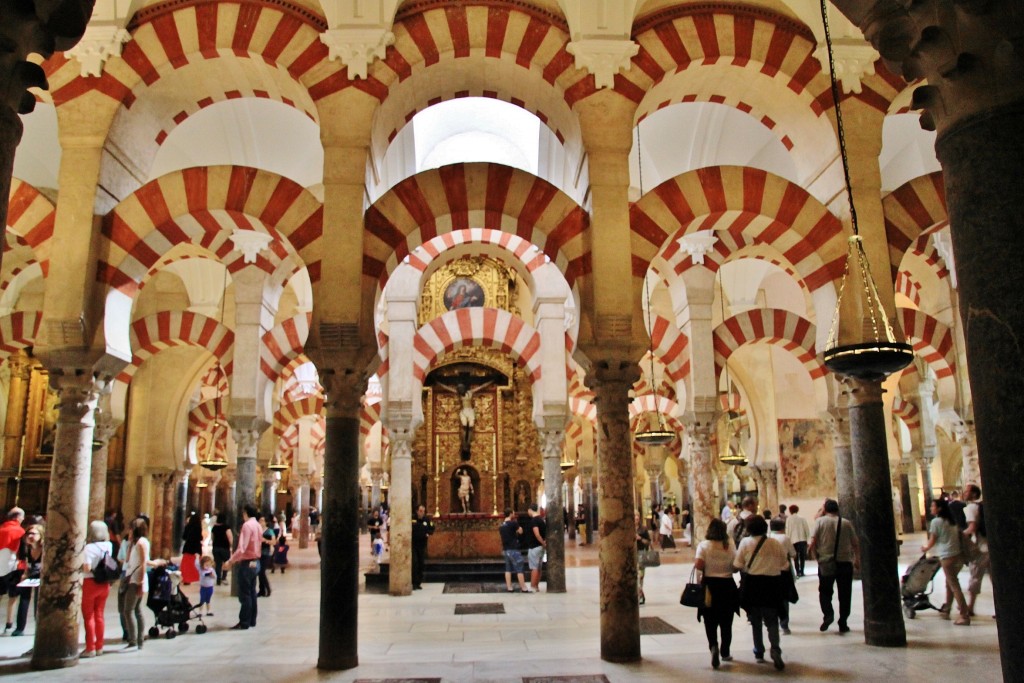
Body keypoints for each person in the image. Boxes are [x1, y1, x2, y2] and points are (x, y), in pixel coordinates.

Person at [734, 515, 789, 670]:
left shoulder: (745, 543)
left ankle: (759, 651)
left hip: (753, 585)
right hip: (772, 584)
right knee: (772, 620)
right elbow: (785, 565)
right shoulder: (774, 543)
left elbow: (738, 564)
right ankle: (775, 649)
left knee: (756, 621)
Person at [808, 498, 860, 633]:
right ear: (838, 509)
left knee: (825, 591)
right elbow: (855, 543)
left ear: (825, 510)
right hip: (844, 563)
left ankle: (828, 614)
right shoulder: (846, 523)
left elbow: (812, 542)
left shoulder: (819, 522)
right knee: (845, 593)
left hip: (826, 562)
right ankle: (843, 622)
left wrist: (816, 557)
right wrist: (857, 560)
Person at [695, 518, 738, 669]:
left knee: (710, 620)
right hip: (727, 585)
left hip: (710, 586)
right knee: (727, 620)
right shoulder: (730, 544)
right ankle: (725, 651)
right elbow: (736, 565)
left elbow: (699, 565)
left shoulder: (704, 545)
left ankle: (713, 646)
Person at [921, 497, 970, 625]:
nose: (931, 508)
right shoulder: (951, 521)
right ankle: (947, 609)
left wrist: (925, 548)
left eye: (933, 506)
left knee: (954, 586)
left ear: (939, 508)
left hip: (947, 556)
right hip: (957, 555)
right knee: (950, 583)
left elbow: (932, 540)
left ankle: (964, 615)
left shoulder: (936, 522)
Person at [224, 504, 262, 630]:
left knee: (245, 593)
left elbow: (242, 548)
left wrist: (231, 561)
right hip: (256, 562)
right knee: (252, 592)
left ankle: (244, 621)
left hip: (247, 562)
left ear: (245, 513)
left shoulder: (247, 525)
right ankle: (252, 620)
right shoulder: (258, 525)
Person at [81, 520, 114, 657]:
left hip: (90, 582)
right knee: (99, 614)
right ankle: (99, 646)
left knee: (89, 617)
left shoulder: (88, 548)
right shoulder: (108, 545)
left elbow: (87, 567)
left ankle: (90, 648)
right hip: (104, 583)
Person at [436, 380, 494, 454]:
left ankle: (468, 441)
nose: (460, 390)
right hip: (464, 411)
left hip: (470, 411)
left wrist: (491, 382)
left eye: (461, 389)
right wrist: (438, 382)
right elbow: (446, 388)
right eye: (459, 389)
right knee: (464, 425)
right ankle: (464, 442)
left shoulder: (470, 393)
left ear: (464, 389)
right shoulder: (459, 394)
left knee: (470, 426)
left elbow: (481, 387)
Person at [121, 517, 151, 650]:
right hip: (133, 578)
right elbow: (127, 560)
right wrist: (129, 543)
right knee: (137, 610)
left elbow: (144, 562)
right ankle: (139, 640)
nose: (129, 531)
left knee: (129, 610)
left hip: (137, 580)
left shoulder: (141, 543)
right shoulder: (135, 543)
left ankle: (134, 640)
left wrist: (141, 581)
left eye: (131, 528)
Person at [11, 523, 43, 637]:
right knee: (24, 599)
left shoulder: (45, 548)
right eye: (28, 533)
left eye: (33, 534)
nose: (30, 536)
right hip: (29, 574)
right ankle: (20, 628)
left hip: (41, 575)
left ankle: (39, 626)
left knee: (38, 601)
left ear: (41, 535)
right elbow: (22, 561)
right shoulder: (25, 547)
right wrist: (23, 574)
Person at [963, 484, 989, 616]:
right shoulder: (984, 506)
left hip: (980, 548)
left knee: (975, 578)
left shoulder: (971, 508)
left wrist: (959, 535)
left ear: (974, 494)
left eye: (967, 491)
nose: (964, 492)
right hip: (990, 547)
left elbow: (972, 528)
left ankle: (970, 607)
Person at [769, 518, 797, 635]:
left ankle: (773, 622)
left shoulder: (768, 538)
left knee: (773, 597)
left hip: (770, 571)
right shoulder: (785, 538)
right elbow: (793, 554)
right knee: (784, 597)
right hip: (784, 571)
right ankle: (784, 624)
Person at [0, 507, 26, 633]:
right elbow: (21, 552)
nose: (23, 519)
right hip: (14, 568)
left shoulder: (1, 529)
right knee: (13, 597)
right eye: (22, 517)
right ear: (17, 517)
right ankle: (8, 625)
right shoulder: (20, 531)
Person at [499, 509, 530, 593]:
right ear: (510, 514)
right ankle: (523, 587)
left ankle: (509, 587)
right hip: (514, 549)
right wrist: (518, 526)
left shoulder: (501, 525)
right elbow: (520, 531)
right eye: (513, 513)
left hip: (505, 549)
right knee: (519, 568)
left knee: (508, 569)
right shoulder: (513, 523)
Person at [412, 505, 434, 590]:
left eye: (423, 511)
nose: (422, 513)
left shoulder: (427, 520)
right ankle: (413, 582)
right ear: (417, 511)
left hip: (422, 544)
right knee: (415, 563)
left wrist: (428, 533)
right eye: (420, 511)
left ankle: (418, 582)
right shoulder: (412, 519)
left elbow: (432, 528)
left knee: (421, 563)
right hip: (414, 544)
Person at [785, 504, 811, 577]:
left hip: (793, 540)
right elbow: (806, 529)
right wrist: (808, 540)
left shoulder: (789, 519)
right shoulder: (802, 518)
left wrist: (788, 540)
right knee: (802, 557)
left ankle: (798, 571)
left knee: (795, 557)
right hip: (802, 540)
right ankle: (802, 571)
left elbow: (788, 530)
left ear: (790, 511)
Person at [526, 503, 547, 592]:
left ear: (530, 510)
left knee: (534, 567)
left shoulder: (534, 521)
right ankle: (536, 586)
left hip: (535, 547)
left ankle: (532, 587)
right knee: (539, 567)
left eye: (528, 511)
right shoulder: (541, 520)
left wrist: (543, 543)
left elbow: (537, 534)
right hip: (539, 547)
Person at [180, 511, 203, 585]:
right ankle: (195, 577)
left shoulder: (188, 526)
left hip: (188, 547)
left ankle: (186, 579)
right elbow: (199, 537)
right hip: (196, 548)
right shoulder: (198, 527)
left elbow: (184, 537)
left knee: (186, 565)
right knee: (195, 564)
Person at [210, 511, 233, 585]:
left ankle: (218, 579)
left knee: (218, 563)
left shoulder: (214, 527)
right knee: (227, 562)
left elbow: (212, 537)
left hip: (216, 547)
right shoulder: (226, 527)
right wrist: (232, 546)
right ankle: (224, 577)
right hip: (225, 548)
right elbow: (230, 537)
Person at [635, 511, 651, 605]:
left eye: (637, 516)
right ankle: (640, 595)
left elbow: (648, 542)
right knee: (634, 576)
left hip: (641, 554)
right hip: (631, 555)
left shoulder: (643, 529)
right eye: (634, 516)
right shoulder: (628, 529)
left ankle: (640, 595)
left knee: (640, 576)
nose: (636, 518)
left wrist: (640, 538)